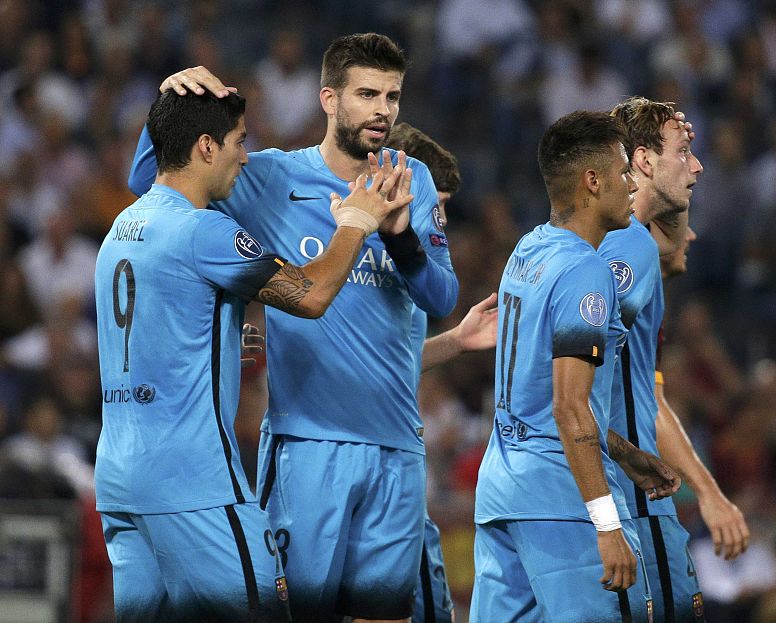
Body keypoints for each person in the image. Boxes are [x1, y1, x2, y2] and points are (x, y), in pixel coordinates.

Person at [128, 33, 458, 623]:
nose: (382, 110)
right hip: (309, 446)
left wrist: (402, 241)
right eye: (366, 94)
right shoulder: (270, 177)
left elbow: (441, 295)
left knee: (386, 616)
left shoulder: (413, 180)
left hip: (399, 450)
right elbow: (153, 184)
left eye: (392, 96)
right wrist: (171, 97)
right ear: (329, 99)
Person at [472, 110, 680, 622]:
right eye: (622, 170)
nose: (632, 183)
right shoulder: (586, 270)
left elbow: (538, 398)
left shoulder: (527, 249)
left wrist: (625, 452)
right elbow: (569, 407)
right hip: (561, 501)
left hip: (503, 493)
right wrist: (606, 523)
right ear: (593, 181)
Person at [599, 96, 748, 623]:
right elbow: (567, 389)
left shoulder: (610, 248)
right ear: (641, 161)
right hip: (630, 495)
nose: (698, 167)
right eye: (686, 152)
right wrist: (708, 494)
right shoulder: (627, 251)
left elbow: (644, 391)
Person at [388, 121, 497, 623]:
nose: (443, 220)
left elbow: (394, 362)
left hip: (400, 472)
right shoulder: (368, 265)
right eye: (438, 204)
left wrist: (455, 341)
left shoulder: (413, 277)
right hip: (373, 466)